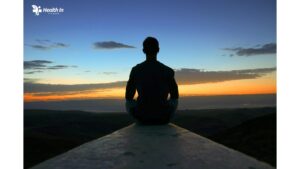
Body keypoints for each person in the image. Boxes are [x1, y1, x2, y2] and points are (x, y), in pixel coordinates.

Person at [125, 37, 179, 125]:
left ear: (143, 50)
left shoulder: (136, 70)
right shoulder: (168, 71)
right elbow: (175, 96)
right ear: (158, 50)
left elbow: (128, 97)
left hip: (142, 117)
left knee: (128, 103)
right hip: (163, 117)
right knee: (174, 101)